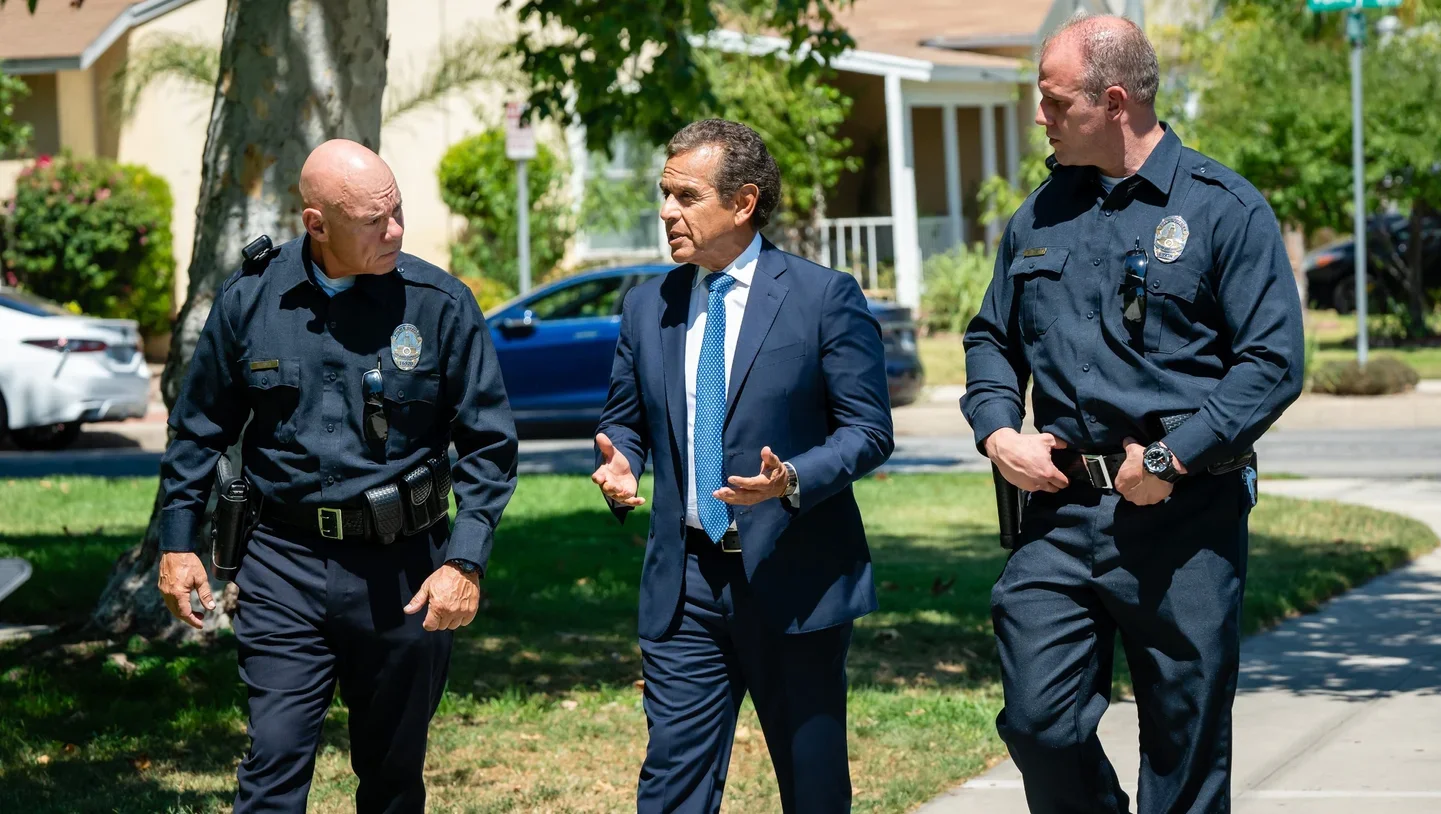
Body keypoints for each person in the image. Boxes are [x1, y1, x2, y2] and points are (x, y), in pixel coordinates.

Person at [962, 15, 1304, 814]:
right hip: (1058, 512)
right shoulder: (1040, 215)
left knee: (1183, 747)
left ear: (1113, 102)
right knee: (1040, 724)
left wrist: (1171, 456)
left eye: (1052, 100)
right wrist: (997, 430)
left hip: (1184, 519)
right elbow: (991, 337)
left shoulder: (1225, 210)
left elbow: (1272, 363)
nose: (1037, 117)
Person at [154, 139, 519, 813]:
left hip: (405, 571)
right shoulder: (251, 300)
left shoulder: (439, 305)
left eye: (398, 210)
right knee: (273, 762)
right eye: (373, 220)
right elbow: (198, 426)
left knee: (391, 776)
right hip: (281, 567)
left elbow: (490, 446)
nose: (396, 230)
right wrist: (178, 544)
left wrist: (464, 562)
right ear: (316, 224)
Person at [592, 119, 894, 813]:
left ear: (744, 202)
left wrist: (790, 480)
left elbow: (869, 432)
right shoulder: (648, 306)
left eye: (685, 196)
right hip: (686, 583)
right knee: (671, 787)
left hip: (794, 577)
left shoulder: (824, 297)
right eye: (663, 194)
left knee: (812, 788)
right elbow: (625, 419)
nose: (667, 211)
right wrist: (622, 463)